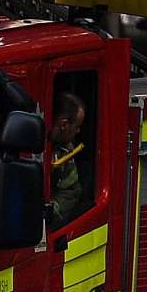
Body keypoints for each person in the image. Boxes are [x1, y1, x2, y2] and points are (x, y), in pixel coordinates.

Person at [49, 91, 90, 228]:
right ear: (64, 124)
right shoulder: (28, 141)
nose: (78, 131)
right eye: (77, 126)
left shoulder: (65, 150)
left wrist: (49, 211)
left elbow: (70, 191)